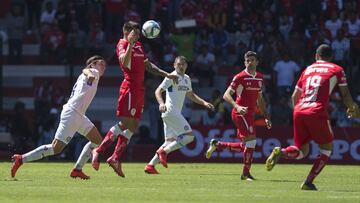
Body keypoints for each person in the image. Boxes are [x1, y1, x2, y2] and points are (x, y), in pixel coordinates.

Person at [265, 44, 360, 190]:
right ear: (331, 57)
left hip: (299, 110)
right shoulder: (337, 69)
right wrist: (352, 107)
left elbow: (294, 96)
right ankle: (308, 182)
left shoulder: (307, 69)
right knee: (326, 149)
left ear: (316, 56)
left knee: (302, 151)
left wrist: (299, 112)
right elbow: (345, 94)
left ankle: (282, 152)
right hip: (317, 111)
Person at [91, 21, 178, 177]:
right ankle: (99, 150)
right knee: (125, 123)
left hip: (139, 89)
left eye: (138, 33)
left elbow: (148, 65)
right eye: (135, 33)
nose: (138, 35)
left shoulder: (138, 45)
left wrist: (166, 74)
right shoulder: (122, 44)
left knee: (134, 125)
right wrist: (130, 44)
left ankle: (115, 158)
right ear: (126, 32)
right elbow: (125, 63)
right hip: (129, 88)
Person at [11, 55, 107, 179]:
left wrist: (88, 73)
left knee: (97, 141)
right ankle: (21, 159)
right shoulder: (93, 72)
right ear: (92, 65)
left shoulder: (90, 74)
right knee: (56, 149)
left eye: (104, 65)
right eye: (100, 64)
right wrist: (89, 73)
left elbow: (85, 71)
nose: (103, 66)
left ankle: (77, 170)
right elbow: (87, 70)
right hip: (72, 113)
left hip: (78, 115)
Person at [205, 51, 272, 181]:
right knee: (252, 141)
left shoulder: (259, 77)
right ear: (244, 62)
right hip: (240, 113)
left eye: (253, 60)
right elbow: (226, 95)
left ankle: (218, 145)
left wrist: (266, 116)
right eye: (248, 60)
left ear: (257, 62)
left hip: (250, 114)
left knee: (246, 145)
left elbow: (260, 98)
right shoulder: (239, 77)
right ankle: (245, 174)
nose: (250, 62)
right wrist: (237, 106)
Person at [144, 56, 214, 174]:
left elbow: (191, 95)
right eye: (178, 64)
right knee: (189, 136)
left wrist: (204, 103)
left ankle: (151, 165)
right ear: (174, 65)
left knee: (168, 142)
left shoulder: (186, 78)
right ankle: (164, 152)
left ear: (186, 65)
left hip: (172, 114)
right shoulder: (171, 76)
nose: (181, 66)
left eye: (183, 64)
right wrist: (161, 103)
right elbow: (158, 91)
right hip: (170, 112)